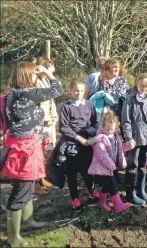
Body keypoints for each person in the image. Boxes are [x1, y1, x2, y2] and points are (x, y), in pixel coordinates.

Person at [2, 62, 63, 247]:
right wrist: (47, 73)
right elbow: (57, 89)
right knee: (21, 189)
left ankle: (27, 221)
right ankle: (13, 237)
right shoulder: (28, 93)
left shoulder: (14, 93)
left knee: (27, 186)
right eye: (35, 75)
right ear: (27, 77)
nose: (38, 77)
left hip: (25, 145)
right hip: (24, 150)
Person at [59, 80, 100, 211]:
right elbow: (63, 127)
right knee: (72, 173)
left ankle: (92, 190)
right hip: (71, 143)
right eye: (76, 90)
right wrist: (78, 137)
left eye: (81, 91)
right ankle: (75, 198)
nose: (78, 93)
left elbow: (95, 123)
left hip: (87, 143)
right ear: (71, 90)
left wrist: (90, 132)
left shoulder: (89, 104)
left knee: (87, 169)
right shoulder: (66, 107)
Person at [121, 73, 147, 205]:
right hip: (134, 140)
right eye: (142, 85)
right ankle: (130, 194)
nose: (144, 88)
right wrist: (129, 138)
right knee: (132, 166)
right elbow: (125, 121)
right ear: (137, 83)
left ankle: (141, 191)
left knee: (143, 166)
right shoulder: (130, 99)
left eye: (146, 86)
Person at [87, 112, 132, 213]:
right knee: (112, 184)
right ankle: (118, 205)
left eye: (112, 129)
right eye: (107, 129)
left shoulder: (115, 136)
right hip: (103, 168)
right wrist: (112, 166)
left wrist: (128, 146)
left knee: (106, 186)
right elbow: (103, 155)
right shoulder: (100, 139)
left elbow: (119, 148)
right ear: (103, 126)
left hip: (112, 166)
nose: (109, 131)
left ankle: (102, 202)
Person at [36, 57, 59, 148]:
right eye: (50, 68)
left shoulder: (46, 81)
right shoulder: (36, 82)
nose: (53, 70)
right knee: (42, 145)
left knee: (50, 145)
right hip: (42, 121)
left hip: (50, 120)